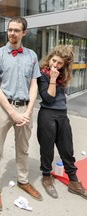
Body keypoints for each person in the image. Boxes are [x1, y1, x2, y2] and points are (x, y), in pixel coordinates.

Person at [0, 16, 43, 211]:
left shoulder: (32, 56)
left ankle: (23, 180)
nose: (12, 33)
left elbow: (34, 84)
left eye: (16, 30)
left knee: (23, 149)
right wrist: (13, 113)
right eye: (10, 29)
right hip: (4, 108)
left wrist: (27, 111)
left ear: (24, 33)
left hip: (25, 109)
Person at [37, 45, 87, 199]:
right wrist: (52, 78)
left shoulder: (62, 75)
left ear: (64, 65)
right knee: (47, 149)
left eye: (59, 63)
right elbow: (48, 98)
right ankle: (46, 176)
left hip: (62, 115)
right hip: (47, 115)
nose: (55, 65)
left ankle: (73, 181)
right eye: (53, 61)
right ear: (49, 58)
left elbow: (60, 95)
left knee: (67, 148)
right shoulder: (43, 75)